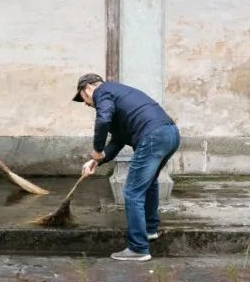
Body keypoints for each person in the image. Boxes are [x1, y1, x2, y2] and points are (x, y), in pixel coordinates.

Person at [74, 73, 180, 262]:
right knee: (148, 183)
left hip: (153, 136)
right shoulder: (119, 97)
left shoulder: (103, 91)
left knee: (132, 192)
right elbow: (117, 141)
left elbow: (103, 120)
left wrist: (96, 149)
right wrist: (96, 161)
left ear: (88, 88)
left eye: (81, 98)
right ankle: (149, 230)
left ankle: (138, 248)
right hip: (170, 134)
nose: (85, 104)